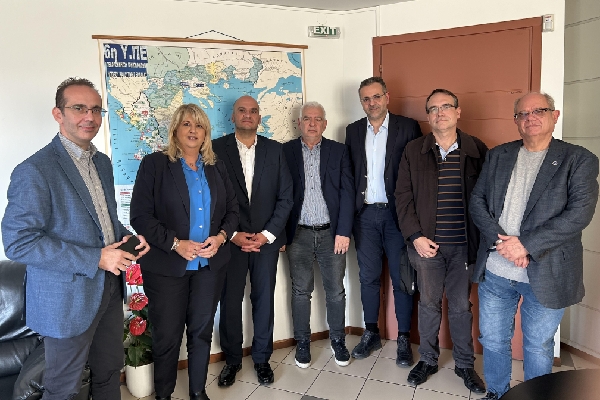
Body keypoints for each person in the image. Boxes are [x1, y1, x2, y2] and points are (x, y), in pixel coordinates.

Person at [1, 77, 150, 399]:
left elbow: (105, 222)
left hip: (109, 288)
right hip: (67, 300)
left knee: (109, 371)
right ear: (58, 114)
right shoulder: (35, 170)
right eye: (79, 108)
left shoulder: (102, 162)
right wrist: (96, 258)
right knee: (62, 388)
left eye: (96, 110)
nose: (89, 117)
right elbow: (18, 242)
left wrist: (128, 238)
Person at [470, 92, 599, 400]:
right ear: (516, 120)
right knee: (493, 340)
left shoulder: (579, 159)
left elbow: (579, 214)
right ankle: (497, 393)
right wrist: (503, 244)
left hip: (547, 272)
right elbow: (477, 202)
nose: (530, 118)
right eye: (522, 114)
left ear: (554, 115)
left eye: (539, 111)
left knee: (538, 345)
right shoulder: (498, 155)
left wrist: (525, 245)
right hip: (497, 271)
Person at [130, 104, 239, 400]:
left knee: (201, 333)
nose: (193, 130)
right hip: (167, 268)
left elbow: (233, 211)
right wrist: (176, 243)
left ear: (206, 133)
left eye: (199, 125)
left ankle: (197, 392)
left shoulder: (216, 167)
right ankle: (164, 394)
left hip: (209, 267)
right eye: (187, 124)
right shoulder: (155, 164)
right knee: (167, 335)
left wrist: (221, 237)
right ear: (175, 130)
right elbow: (140, 215)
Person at [395, 89, 487, 392]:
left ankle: (464, 365)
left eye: (446, 106)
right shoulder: (413, 150)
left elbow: (489, 198)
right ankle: (428, 360)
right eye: (433, 108)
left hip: (463, 247)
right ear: (428, 116)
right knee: (429, 304)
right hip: (426, 247)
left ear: (458, 112)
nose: (440, 112)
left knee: (461, 306)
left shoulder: (477, 149)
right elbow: (402, 197)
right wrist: (415, 237)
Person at [213, 95, 293, 386]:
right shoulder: (215, 149)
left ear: (260, 117)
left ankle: (262, 359)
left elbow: (286, 197)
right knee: (230, 301)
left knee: (263, 300)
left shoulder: (275, 150)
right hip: (230, 241)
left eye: (253, 111)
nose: (248, 115)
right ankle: (232, 360)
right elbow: (212, 198)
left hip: (265, 241)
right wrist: (232, 235)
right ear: (232, 116)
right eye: (242, 111)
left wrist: (266, 235)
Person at [345, 76, 421, 365]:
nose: (372, 103)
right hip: (364, 216)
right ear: (361, 102)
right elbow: (350, 175)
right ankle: (371, 332)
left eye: (376, 97)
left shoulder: (408, 127)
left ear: (387, 97)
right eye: (366, 99)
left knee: (402, 278)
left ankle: (403, 338)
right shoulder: (353, 131)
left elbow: (417, 172)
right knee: (368, 277)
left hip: (397, 215)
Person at [282, 101, 355, 368]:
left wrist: (344, 231)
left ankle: (338, 340)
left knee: (335, 291)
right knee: (301, 291)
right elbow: (279, 194)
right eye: (307, 118)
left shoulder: (339, 151)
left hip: (331, 234)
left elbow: (347, 193)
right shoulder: (285, 151)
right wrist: (279, 234)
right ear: (299, 123)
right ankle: (303, 342)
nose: (312, 123)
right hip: (297, 234)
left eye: (317, 119)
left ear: (325, 124)